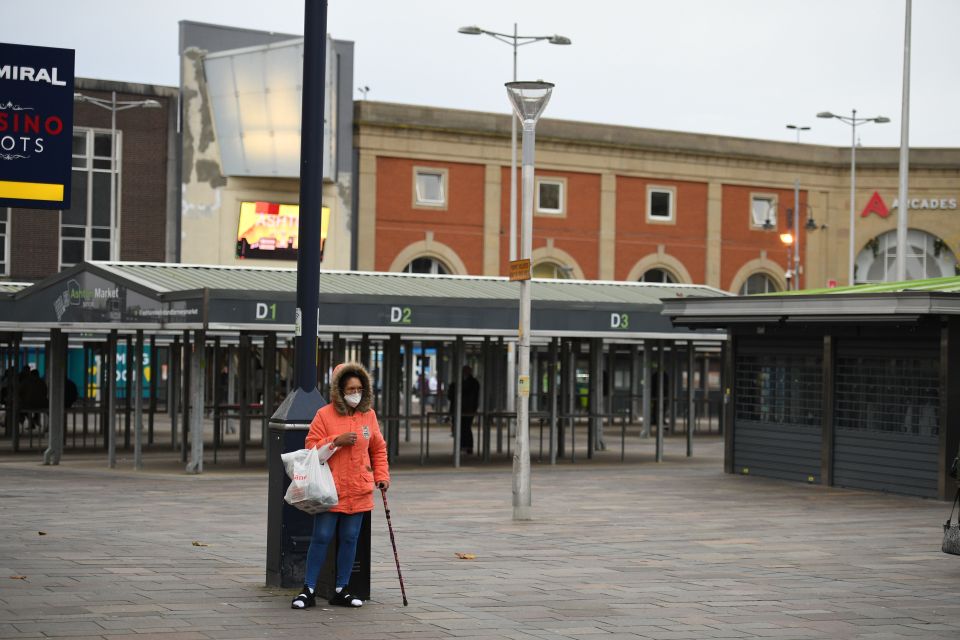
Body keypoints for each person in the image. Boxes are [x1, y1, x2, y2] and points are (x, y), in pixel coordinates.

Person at [291, 362, 390, 610]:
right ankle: (309, 589)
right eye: (350, 389)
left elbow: (378, 448)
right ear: (339, 390)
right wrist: (336, 441)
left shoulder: (369, 415)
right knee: (322, 536)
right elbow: (311, 448)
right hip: (330, 490)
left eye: (358, 388)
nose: (355, 393)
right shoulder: (324, 415)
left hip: (359, 488)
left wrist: (382, 476)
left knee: (350, 538)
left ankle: (341, 589)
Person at [448, 365, 480, 456]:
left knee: (465, 427)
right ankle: (463, 446)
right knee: (462, 428)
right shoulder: (460, 382)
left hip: (467, 409)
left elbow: (471, 396)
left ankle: (466, 446)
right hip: (465, 409)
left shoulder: (470, 383)